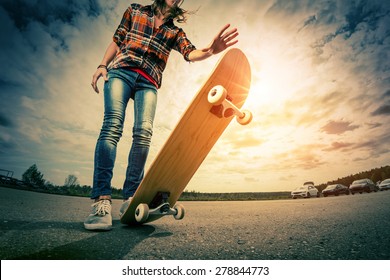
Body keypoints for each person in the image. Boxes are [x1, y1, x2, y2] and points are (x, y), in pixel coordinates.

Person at [84, 0, 239, 231]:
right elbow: (117, 40)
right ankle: (101, 201)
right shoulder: (135, 10)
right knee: (112, 127)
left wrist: (209, 50)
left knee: (143, 133)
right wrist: (102, 65)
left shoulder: (174, 31)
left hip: (148, 82)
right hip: (121, 72)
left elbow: (190, 52)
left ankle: (130, 199)